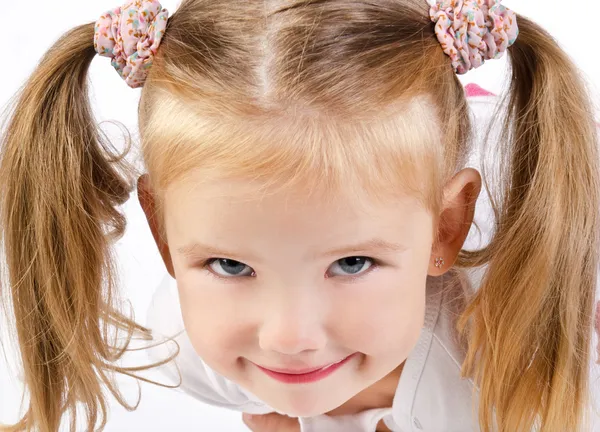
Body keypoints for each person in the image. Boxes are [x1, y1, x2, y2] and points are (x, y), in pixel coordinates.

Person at [0, 0, 598, 431]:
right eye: (231, 265)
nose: (288, 337)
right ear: (161, 230)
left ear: (446, 228)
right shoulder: (183, 348)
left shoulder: (536, 380)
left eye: (353, 261)